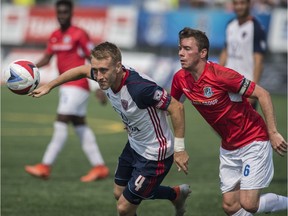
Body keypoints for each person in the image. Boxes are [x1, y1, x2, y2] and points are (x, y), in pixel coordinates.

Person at [29, 41, 191, 216]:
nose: (98, 77)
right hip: (134, 145)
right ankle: (175, 194)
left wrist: (180, 149)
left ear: (118, 67)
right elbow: (81, 70)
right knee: (119, 193)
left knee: (123, 207)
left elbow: (176, 107)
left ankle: (172, 195)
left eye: (104, 70)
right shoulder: (104, 74)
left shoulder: (140, 89)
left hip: (155, 154)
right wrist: (49, 86)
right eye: (96, 70)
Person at [171, 27, 287, 216]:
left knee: (249, 204)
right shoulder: (180, 79)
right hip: (229, 147)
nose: (180, 53)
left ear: (202, 53)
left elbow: (263, 94)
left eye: (186, 49)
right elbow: (171, 107)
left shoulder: (221, 75)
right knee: (231, 207)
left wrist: (273, 132)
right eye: (179, 48)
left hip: (253, 140)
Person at [25, 0, 109, 182]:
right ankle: (100, 167)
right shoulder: (54, 35)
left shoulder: (79, 34)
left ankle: (45, 166)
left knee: (61, 121)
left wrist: (99, 86)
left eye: (65, 12)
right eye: (59, 12)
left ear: (71, 13)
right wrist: (29, 67)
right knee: (79, 125)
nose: (61, 15)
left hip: (78, 85)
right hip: (64, 86)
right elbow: (47, 58)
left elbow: (93, 58)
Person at [219, 0, 266, 110]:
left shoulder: (256, 27)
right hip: (227, 84)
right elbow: (225, 52)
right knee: (222, 125)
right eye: (236, 3)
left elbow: (258, 62)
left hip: (245, 86)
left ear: (249, 4)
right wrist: (218, 78)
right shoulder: (230, 24)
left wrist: (253, 90)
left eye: (242, 3)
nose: (239, 6)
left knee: (246, 126)